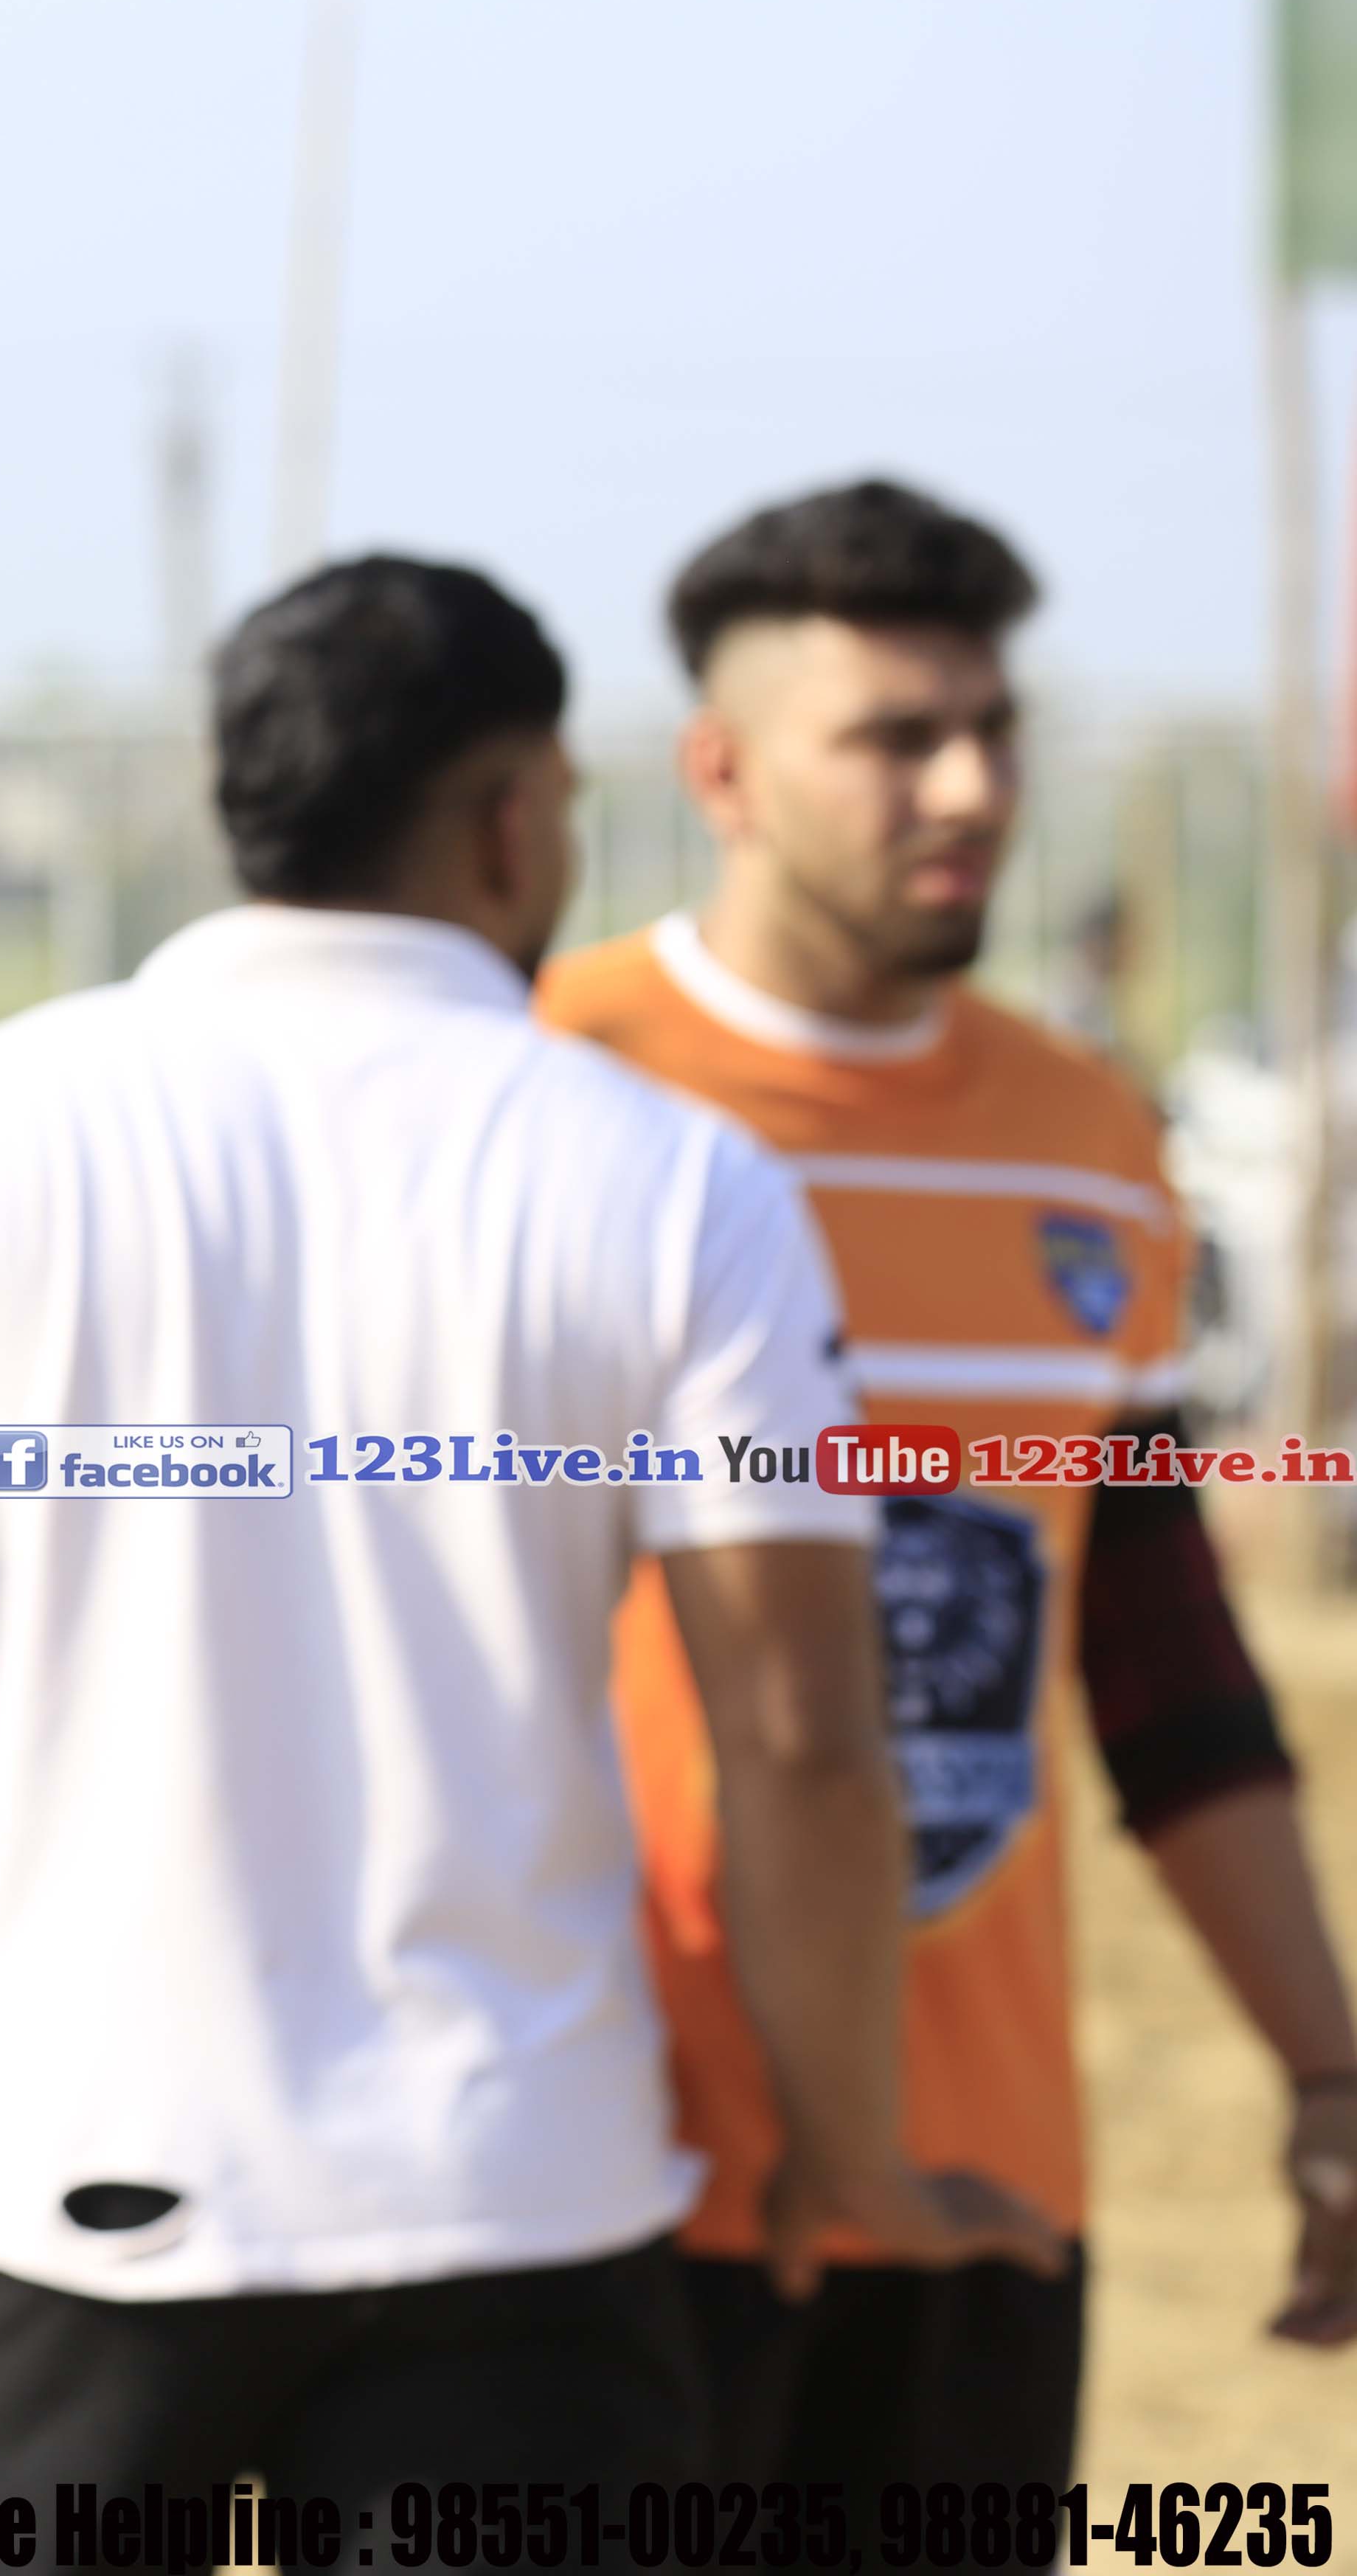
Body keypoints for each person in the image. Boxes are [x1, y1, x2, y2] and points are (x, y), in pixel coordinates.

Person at [0, 555, 1058, 2508]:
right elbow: (800, 1737)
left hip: (57, 2188)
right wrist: (852, 2155)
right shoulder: (680, 1180)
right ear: (512, 818)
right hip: (517, 2197)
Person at [538, 482, 1357, 2516]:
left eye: (991, 729)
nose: (971, 787)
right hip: (586, 2185)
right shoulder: (551, 1088)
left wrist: (1325, 2067)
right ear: (719, 771)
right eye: (894, 738)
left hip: (978, 2184)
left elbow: (1161, 1665)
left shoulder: (1083, 1142)